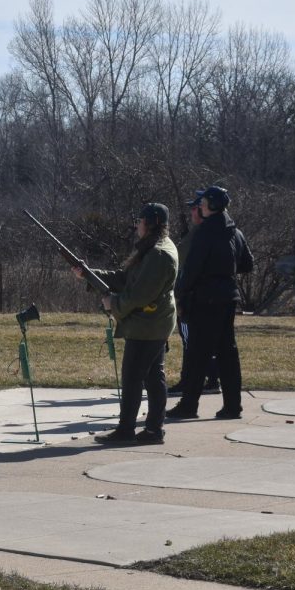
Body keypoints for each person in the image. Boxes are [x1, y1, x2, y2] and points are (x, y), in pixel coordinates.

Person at [73, 203, 178, 444]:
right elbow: (125, 279)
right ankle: (152, 430)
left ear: (150, 223)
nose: (137, 225)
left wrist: (114, 305)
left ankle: (128, 430)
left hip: (148, 326)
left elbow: (139, 295)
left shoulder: (158, 254)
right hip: (152, 323)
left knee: (133, 377)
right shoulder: (153, 249)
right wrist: (89, 274)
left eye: (140, 220)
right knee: (152, 376)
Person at [166, 185, 253, 421]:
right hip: (228, 297)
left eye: (203, 204)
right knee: (228, 353)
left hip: (205, 300)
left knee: (197, 354)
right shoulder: (235, 232)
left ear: (213, 206)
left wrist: (181, 294)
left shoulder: (205, 233)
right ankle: (232, 406)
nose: (200, 208)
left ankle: (188, 405)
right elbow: (248, 263)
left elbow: (192, 269)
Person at [168, 191, 220, 397]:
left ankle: (191, 380)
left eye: (195, 207)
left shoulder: (201, 235)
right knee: (201, 340)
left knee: (191, 341)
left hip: (191, 298)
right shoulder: (204, 232)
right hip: (201, 297)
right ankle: (210, 379)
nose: (191, 211)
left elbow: (184, 265)